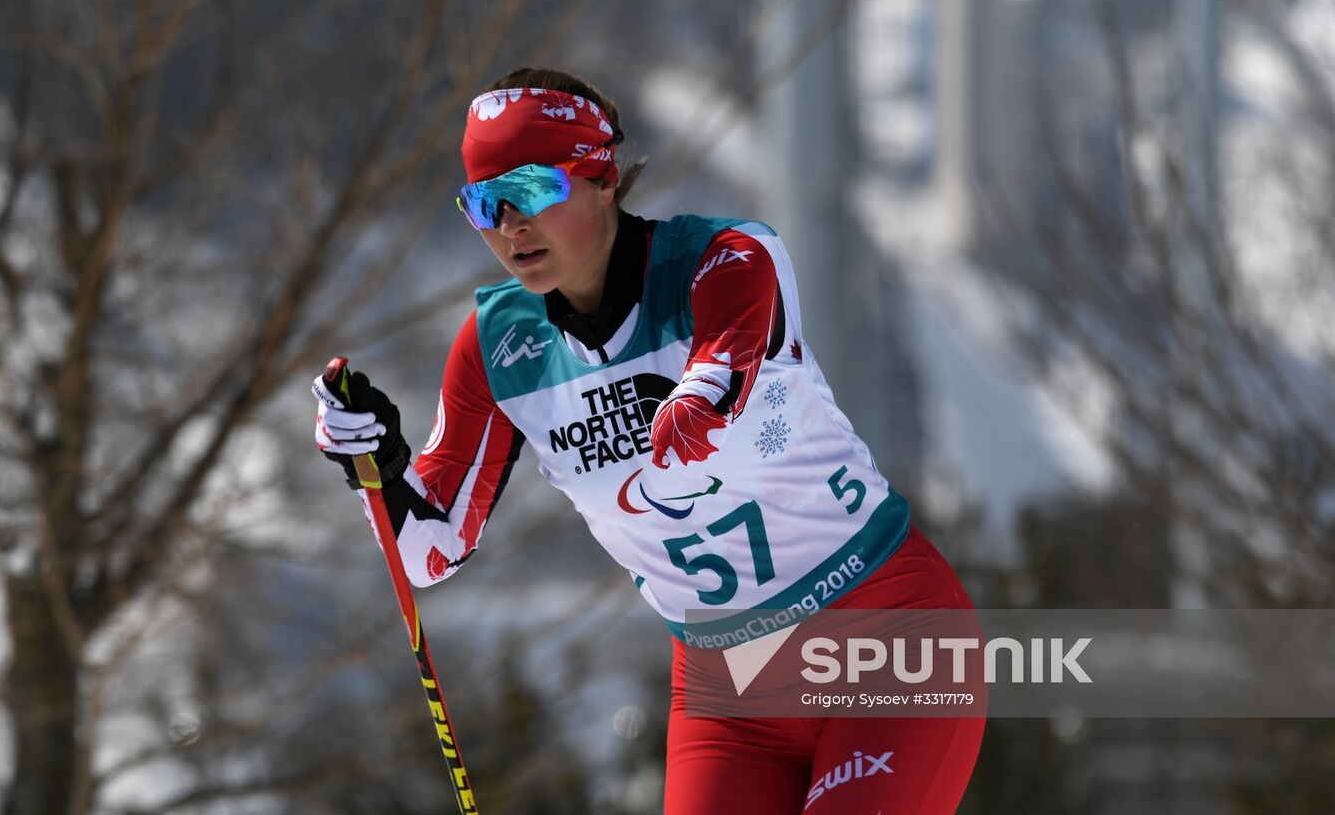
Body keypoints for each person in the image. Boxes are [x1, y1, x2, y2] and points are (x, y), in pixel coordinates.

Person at [312, 68, 983, 813]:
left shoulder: (722, 260)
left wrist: (690, 404)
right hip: (730, 700)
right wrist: (377, 463)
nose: (509, 225)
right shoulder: (495, 347)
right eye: (483, 203)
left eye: (532, 190)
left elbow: (724, 362)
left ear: (601, 178)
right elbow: (427, 552)